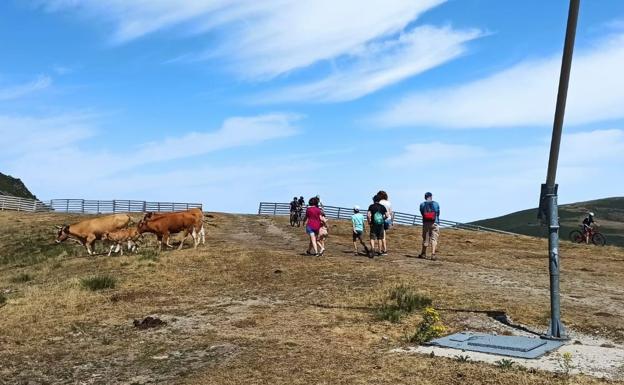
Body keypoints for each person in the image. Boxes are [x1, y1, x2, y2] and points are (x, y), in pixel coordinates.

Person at [418, 192, 440, 260]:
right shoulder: (436, 204)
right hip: (435, 222)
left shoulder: (422, 204)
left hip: (426, 223)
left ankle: (423, 253)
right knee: (434, 239)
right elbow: (438, 213)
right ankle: (433, 254)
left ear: (425, 197)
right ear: (431, 197)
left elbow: (422, 213)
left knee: (425, 239)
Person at [377, 190, 393, 255]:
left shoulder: (380, 202)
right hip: (388, 220)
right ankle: (384, 249)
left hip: (383, 219)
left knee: (382, 236)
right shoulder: (389, 202)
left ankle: (384, 250)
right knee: (383, 234)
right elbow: (391, 212)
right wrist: (392, 221)